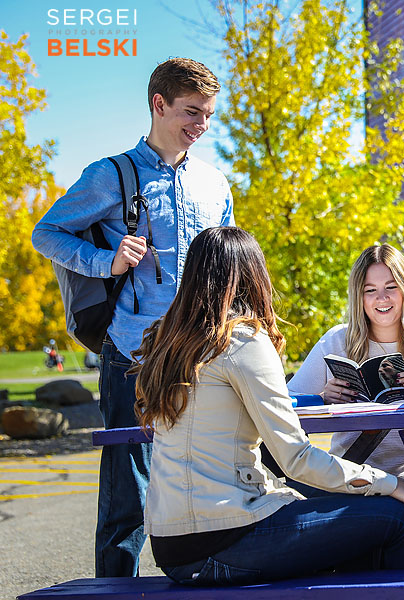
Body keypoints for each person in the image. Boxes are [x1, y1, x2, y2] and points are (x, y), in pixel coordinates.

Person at [132, 227, 404, 585]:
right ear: (252, 275)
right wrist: (390, 483)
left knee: (345, 519)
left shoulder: (170, 341)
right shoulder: (241, 341)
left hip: (172, 543)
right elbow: (296, 459)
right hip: (224, 537)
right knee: (396, 517)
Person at [32, 57, 234, 577]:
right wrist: (107, 261)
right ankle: (117, 589)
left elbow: (231, 263)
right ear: (158, 104)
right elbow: (46, 234)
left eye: (209, 115)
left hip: (206, 351)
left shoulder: (216, 184)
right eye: (191, 112)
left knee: (216, 473)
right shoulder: (110, 175)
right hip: (132, 352)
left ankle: (210, 579)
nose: (201, 126)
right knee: (128, 487)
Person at [287, 243, 404, 567]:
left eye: (390, 288)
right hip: (352, 470)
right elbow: (287, 403)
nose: (381, 299)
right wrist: (322, 397)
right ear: (359, 296)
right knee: (349, 531)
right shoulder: (336, 340)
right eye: (370, 290)